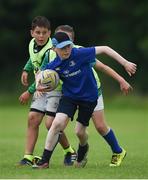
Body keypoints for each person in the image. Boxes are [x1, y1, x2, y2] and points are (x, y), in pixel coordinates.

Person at [33, 31, 135, 169]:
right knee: (56, 123)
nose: (67, 50)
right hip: (69, 97)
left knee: (80, 132)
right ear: (54, 49)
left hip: (89, 98)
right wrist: (39, 85)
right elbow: (41, 73)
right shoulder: (54, 65)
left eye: (68, 46)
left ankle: (83, 148)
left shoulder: (80, 53)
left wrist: (125, 63)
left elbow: (105, 48)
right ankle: (45, 160)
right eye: (62, 48)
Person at [18, 17, 76, 166]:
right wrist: (26, 69)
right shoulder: (32, 43)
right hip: (41, 88)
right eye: (38, 32)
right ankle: (28, 157)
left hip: (56, 89)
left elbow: (44, 70)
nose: (41, 36)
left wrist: (28, 92)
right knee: (32, 118)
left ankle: (69, 151)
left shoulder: (53, 48)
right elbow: (33, 59)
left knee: (51, 124)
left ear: (50, 33)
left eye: (44, 33)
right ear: (32, 33)